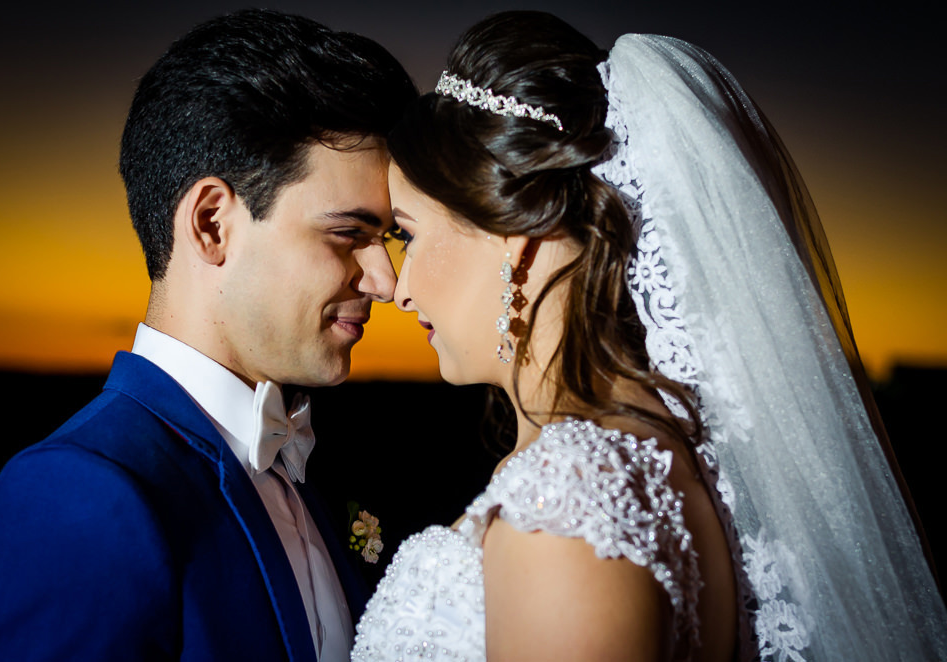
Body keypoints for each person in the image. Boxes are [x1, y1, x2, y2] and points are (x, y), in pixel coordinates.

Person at [351, 11, 947, 661]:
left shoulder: (568, 505)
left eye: (408, 233)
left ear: (513, 238)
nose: (397, 288)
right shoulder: (668, 449)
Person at [0, 9, 416, 661]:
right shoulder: (77, 498)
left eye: (387, 239)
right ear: (211, 224)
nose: (386, 282)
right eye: (348, 234)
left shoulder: (316, 466)